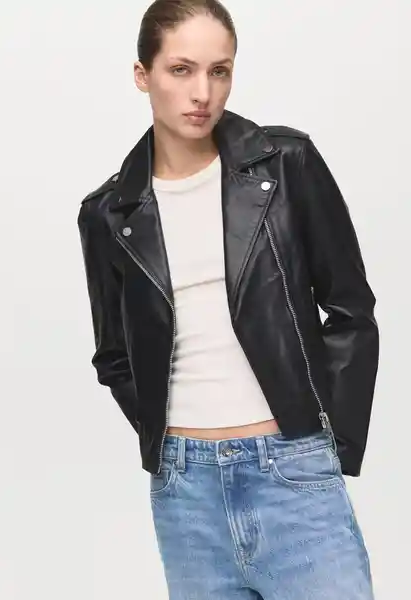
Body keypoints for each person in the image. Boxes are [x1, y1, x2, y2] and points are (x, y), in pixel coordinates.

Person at [77, 1, 379, 598]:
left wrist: (325, 443)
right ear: (142, 75)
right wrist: (169, 439)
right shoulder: (108, 213)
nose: (203, 93)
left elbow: (350, 310)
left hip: (294, 471)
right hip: (185, 494)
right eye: (181, 69)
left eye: (219, 71)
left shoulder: (287, 165)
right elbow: (114, 356)